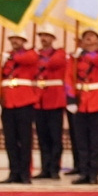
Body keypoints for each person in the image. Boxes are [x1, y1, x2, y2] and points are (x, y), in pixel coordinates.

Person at [0, 32, 40, 184]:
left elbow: (30, 59)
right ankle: (14, 172)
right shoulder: (3, 57)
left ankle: (25, 173)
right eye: (12, 39)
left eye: (18, 39)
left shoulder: (30, 54)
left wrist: (11, 58)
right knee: (10, 140)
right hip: (7, 102)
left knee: (25, 140)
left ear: (24, 40)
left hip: (24, 101)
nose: (15, 41)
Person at [68, 29, 98, 185]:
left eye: (92, 38)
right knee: (81, 141)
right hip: (80, 102)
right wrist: (70, 99)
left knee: (94, 141)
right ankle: (83, 172)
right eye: (86, 38)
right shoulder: (75, 58)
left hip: (97, 102)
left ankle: (94, 174)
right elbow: (69, 78)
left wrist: (82, 55)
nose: (89, 41)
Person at [33, 27, 68, 179]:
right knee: (42, 137)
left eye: (47, 35)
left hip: (55, 100)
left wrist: (38, 58)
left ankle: (55, 168)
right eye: (42, 35)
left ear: (53, 38)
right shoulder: (35, 54)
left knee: (55, 137)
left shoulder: (59, 53)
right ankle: (44, 168)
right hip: (39, 100)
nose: (44, 39)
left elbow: (55, 63)